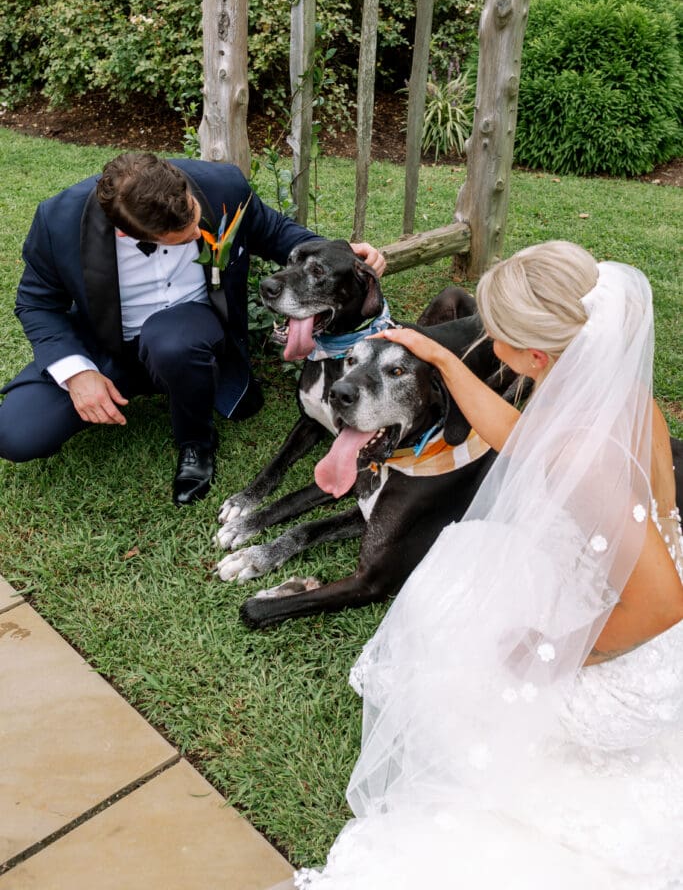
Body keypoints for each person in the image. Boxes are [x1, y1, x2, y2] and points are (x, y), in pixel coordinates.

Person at [295, 241, 683, 889]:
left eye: (493, 334)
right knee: (464, 578)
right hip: (616, 579)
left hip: (631, 648)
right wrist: (442, 357)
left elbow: (663, 604)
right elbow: (526, 441)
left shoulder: (581, 457)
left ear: (533, 356)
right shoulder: (610, 393)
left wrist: (557, 650)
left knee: (461, 652)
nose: (483, 337)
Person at [0, 152, 385, 505]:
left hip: (187, 338)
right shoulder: (58, 221)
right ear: (126, 233)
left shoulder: (221, 186)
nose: (197, 226)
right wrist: (79, 372)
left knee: (173, 341)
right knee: (17, 434)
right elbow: (36, 302)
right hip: (102, 348)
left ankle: (196, 443)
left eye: (193, 212)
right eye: (182, 236)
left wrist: (344, 255)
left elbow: (275, 231)